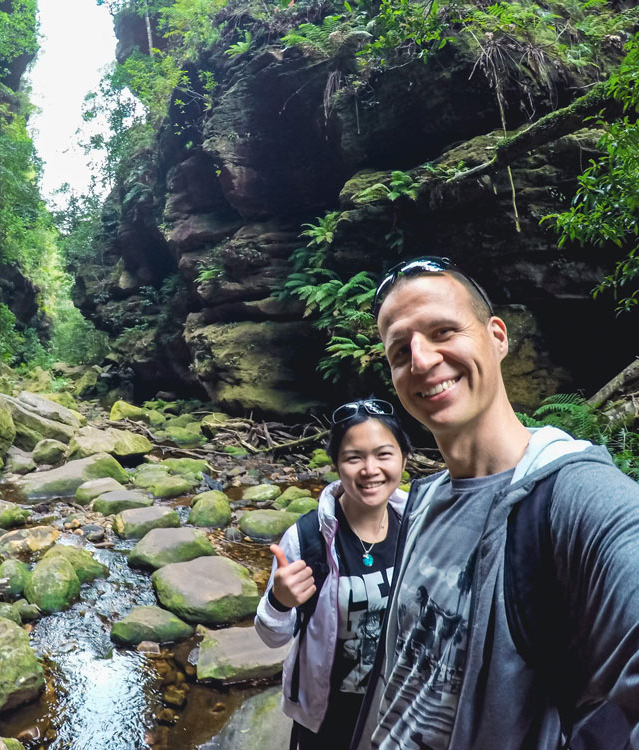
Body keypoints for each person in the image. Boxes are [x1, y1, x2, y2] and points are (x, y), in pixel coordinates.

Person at [351, 256, 639, 750]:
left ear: (498, 337)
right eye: (400, 351)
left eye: (443, 331)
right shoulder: (422, 502)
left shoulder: (578, 497)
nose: (421, 360)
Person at [255, 399, 412, 748]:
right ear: (337, 464)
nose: (370, 469)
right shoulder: (307, 538)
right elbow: (272, 637)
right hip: (327, 717)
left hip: (399, 708)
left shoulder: (419, 526)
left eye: (384, 454)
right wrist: (279, 601)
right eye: (354, 457)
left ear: (404, 457)